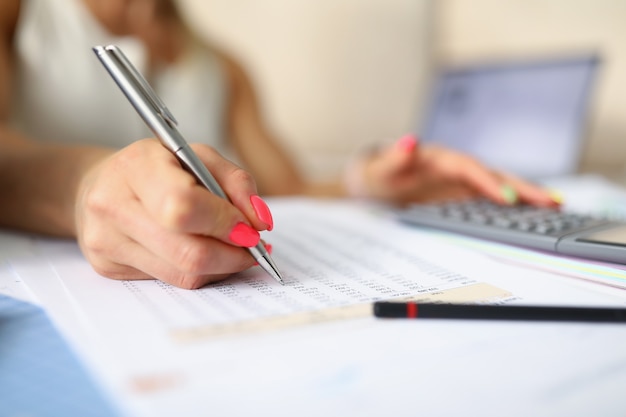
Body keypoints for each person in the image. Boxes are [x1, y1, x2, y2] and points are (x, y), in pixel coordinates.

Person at [0, 0, 557, 289]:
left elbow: (287, 191)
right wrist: (82, 185)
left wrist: (368, 180)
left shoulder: (223, 68)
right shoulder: (21, 14)